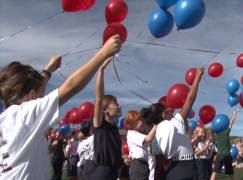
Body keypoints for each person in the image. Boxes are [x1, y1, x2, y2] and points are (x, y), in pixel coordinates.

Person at [0, 34, 121, 179]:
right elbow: (70, 87)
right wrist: (103, 53)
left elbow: (37, 99)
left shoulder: (8, 118)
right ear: (30, 94)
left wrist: (48, 70)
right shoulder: (24, 115)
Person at [141, 67, 204, 180]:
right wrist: (197, 77)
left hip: (173, 170)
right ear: (164, 115)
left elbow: (158, 161)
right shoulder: (174, 122)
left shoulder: (156, 134)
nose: (172, 110)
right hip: (186, 167)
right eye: (168, 110)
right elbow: (190, 99)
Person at [91, 59, 123, 180]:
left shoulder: (114, 127)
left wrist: (121, 159)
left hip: (113, 173)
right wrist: (101, 70)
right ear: (105, 109)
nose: (119, 106)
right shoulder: (100, 125)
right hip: (102, 174)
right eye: (115, 104)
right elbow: (99, 98)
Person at [124, 110, 157, 180]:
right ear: (131, 125)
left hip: (145, 165)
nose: (141, 122)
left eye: (140, 120)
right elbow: (148, 139)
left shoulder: (143, 133)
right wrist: (156, 125)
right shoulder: (132, 133)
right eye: (136, 122)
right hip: (138, 166)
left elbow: (149, 149)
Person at [210, 110, 238, 180]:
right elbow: (231, 122)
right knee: (230, 174)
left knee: (214, 172)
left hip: (220, 155)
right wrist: (234, 114)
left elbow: (212, 131)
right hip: (227, 155)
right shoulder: (226, 132)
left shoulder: (216, 135)